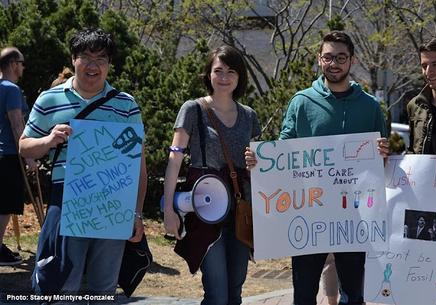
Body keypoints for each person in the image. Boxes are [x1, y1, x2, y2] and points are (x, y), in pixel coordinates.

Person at [245, 31, 389, 305]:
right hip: (307, 216)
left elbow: (379, 161)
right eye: (328, 57)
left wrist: (383, 154)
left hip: (354, 218)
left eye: (341, 57)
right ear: (319, 60)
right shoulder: (301, 102)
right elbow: (282, 152)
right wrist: (259, 160)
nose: (334, 63)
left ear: (352, 61)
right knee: (303, 294)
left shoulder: (369, 106)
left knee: (354, 296)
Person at [19, 28, 147, 297]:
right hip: (66, 200)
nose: (93, 65)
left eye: (101, 59)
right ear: (73, 59)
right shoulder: (49, 99)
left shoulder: (126, 105)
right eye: (86, 57)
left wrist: (136, 213)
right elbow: (24, 146)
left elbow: (139, 166)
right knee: (64, 288)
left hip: (112, 204)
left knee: (103, 290)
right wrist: (49, 139)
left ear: (109, 65)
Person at [163, 45, 261, 305]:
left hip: (241, 210)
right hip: (205, 210)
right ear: (208, 75)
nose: (224, 77)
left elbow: (259, 166)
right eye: (218, 70)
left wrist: (256, 161)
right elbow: (175, 159)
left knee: (235, 292)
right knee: (217, 293)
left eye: (231, 71)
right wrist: (168, 209)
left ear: (240, 76)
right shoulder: (193, 109)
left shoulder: (249, 116)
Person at [0, 47, 37, 266]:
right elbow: (16, 124)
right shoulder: (11, 89)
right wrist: (29, 156)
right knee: (5, 206)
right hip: (8, 154)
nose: (23, 67)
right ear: (14, 63)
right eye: (22, 63)